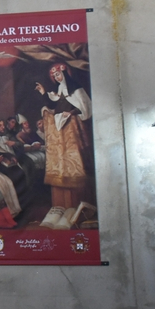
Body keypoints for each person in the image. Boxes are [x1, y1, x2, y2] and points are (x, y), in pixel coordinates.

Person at [35, 63, 94, 208]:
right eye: (54, 76)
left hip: (72, 127)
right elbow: (53, 106)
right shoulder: (60, 90)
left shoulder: (77, 90)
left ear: (65, 73)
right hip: (61, 129)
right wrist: (43, 92)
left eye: (58, 74)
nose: (57, 77)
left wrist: (71, 113)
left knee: (76, 158)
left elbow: (84, 108)